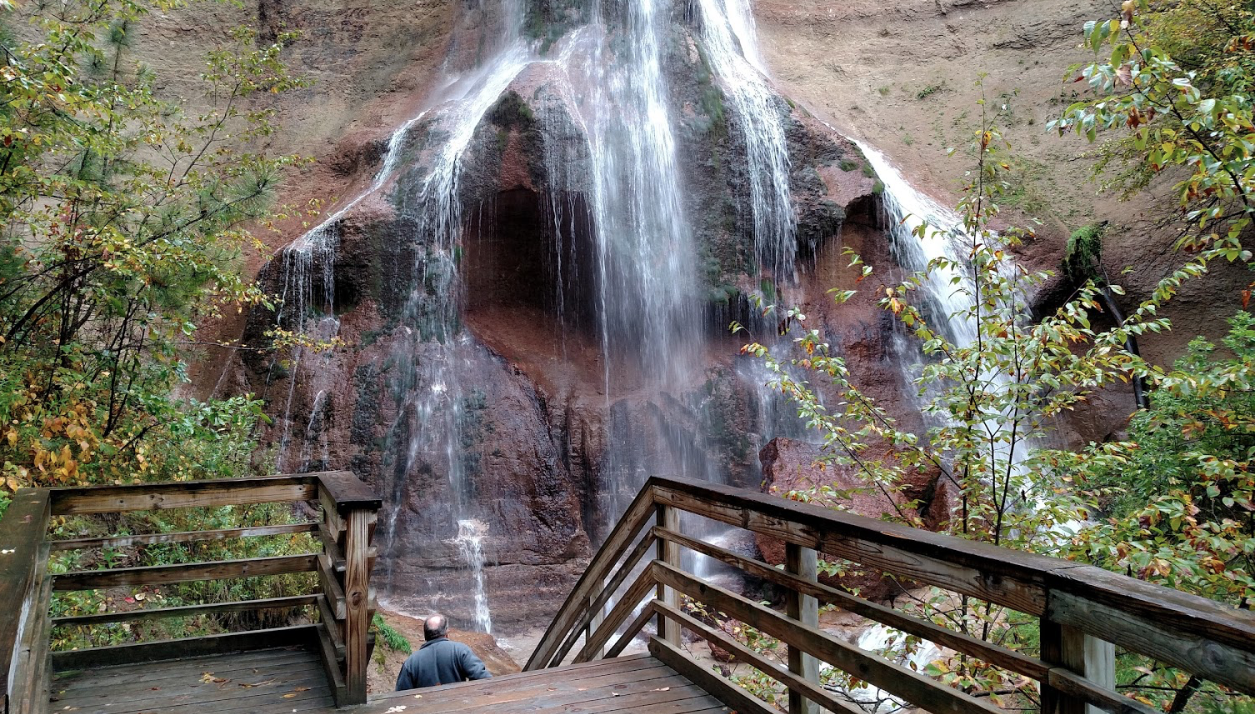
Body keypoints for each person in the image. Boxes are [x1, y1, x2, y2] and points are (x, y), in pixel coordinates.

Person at [395, 614, 492, 690]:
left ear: (425, 636)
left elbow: (401, 697)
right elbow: (484, 678)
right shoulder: (460, 650)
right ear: (446, 634)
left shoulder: (411, 662)